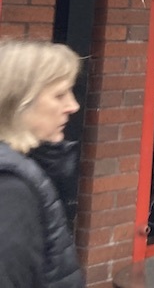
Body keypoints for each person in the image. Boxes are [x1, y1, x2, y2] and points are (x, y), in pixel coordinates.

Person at [0, 40, 84, 288]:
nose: (73, 106)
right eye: (59, 95)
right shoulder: (11, 188)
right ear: (18, 102)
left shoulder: (25, 167)